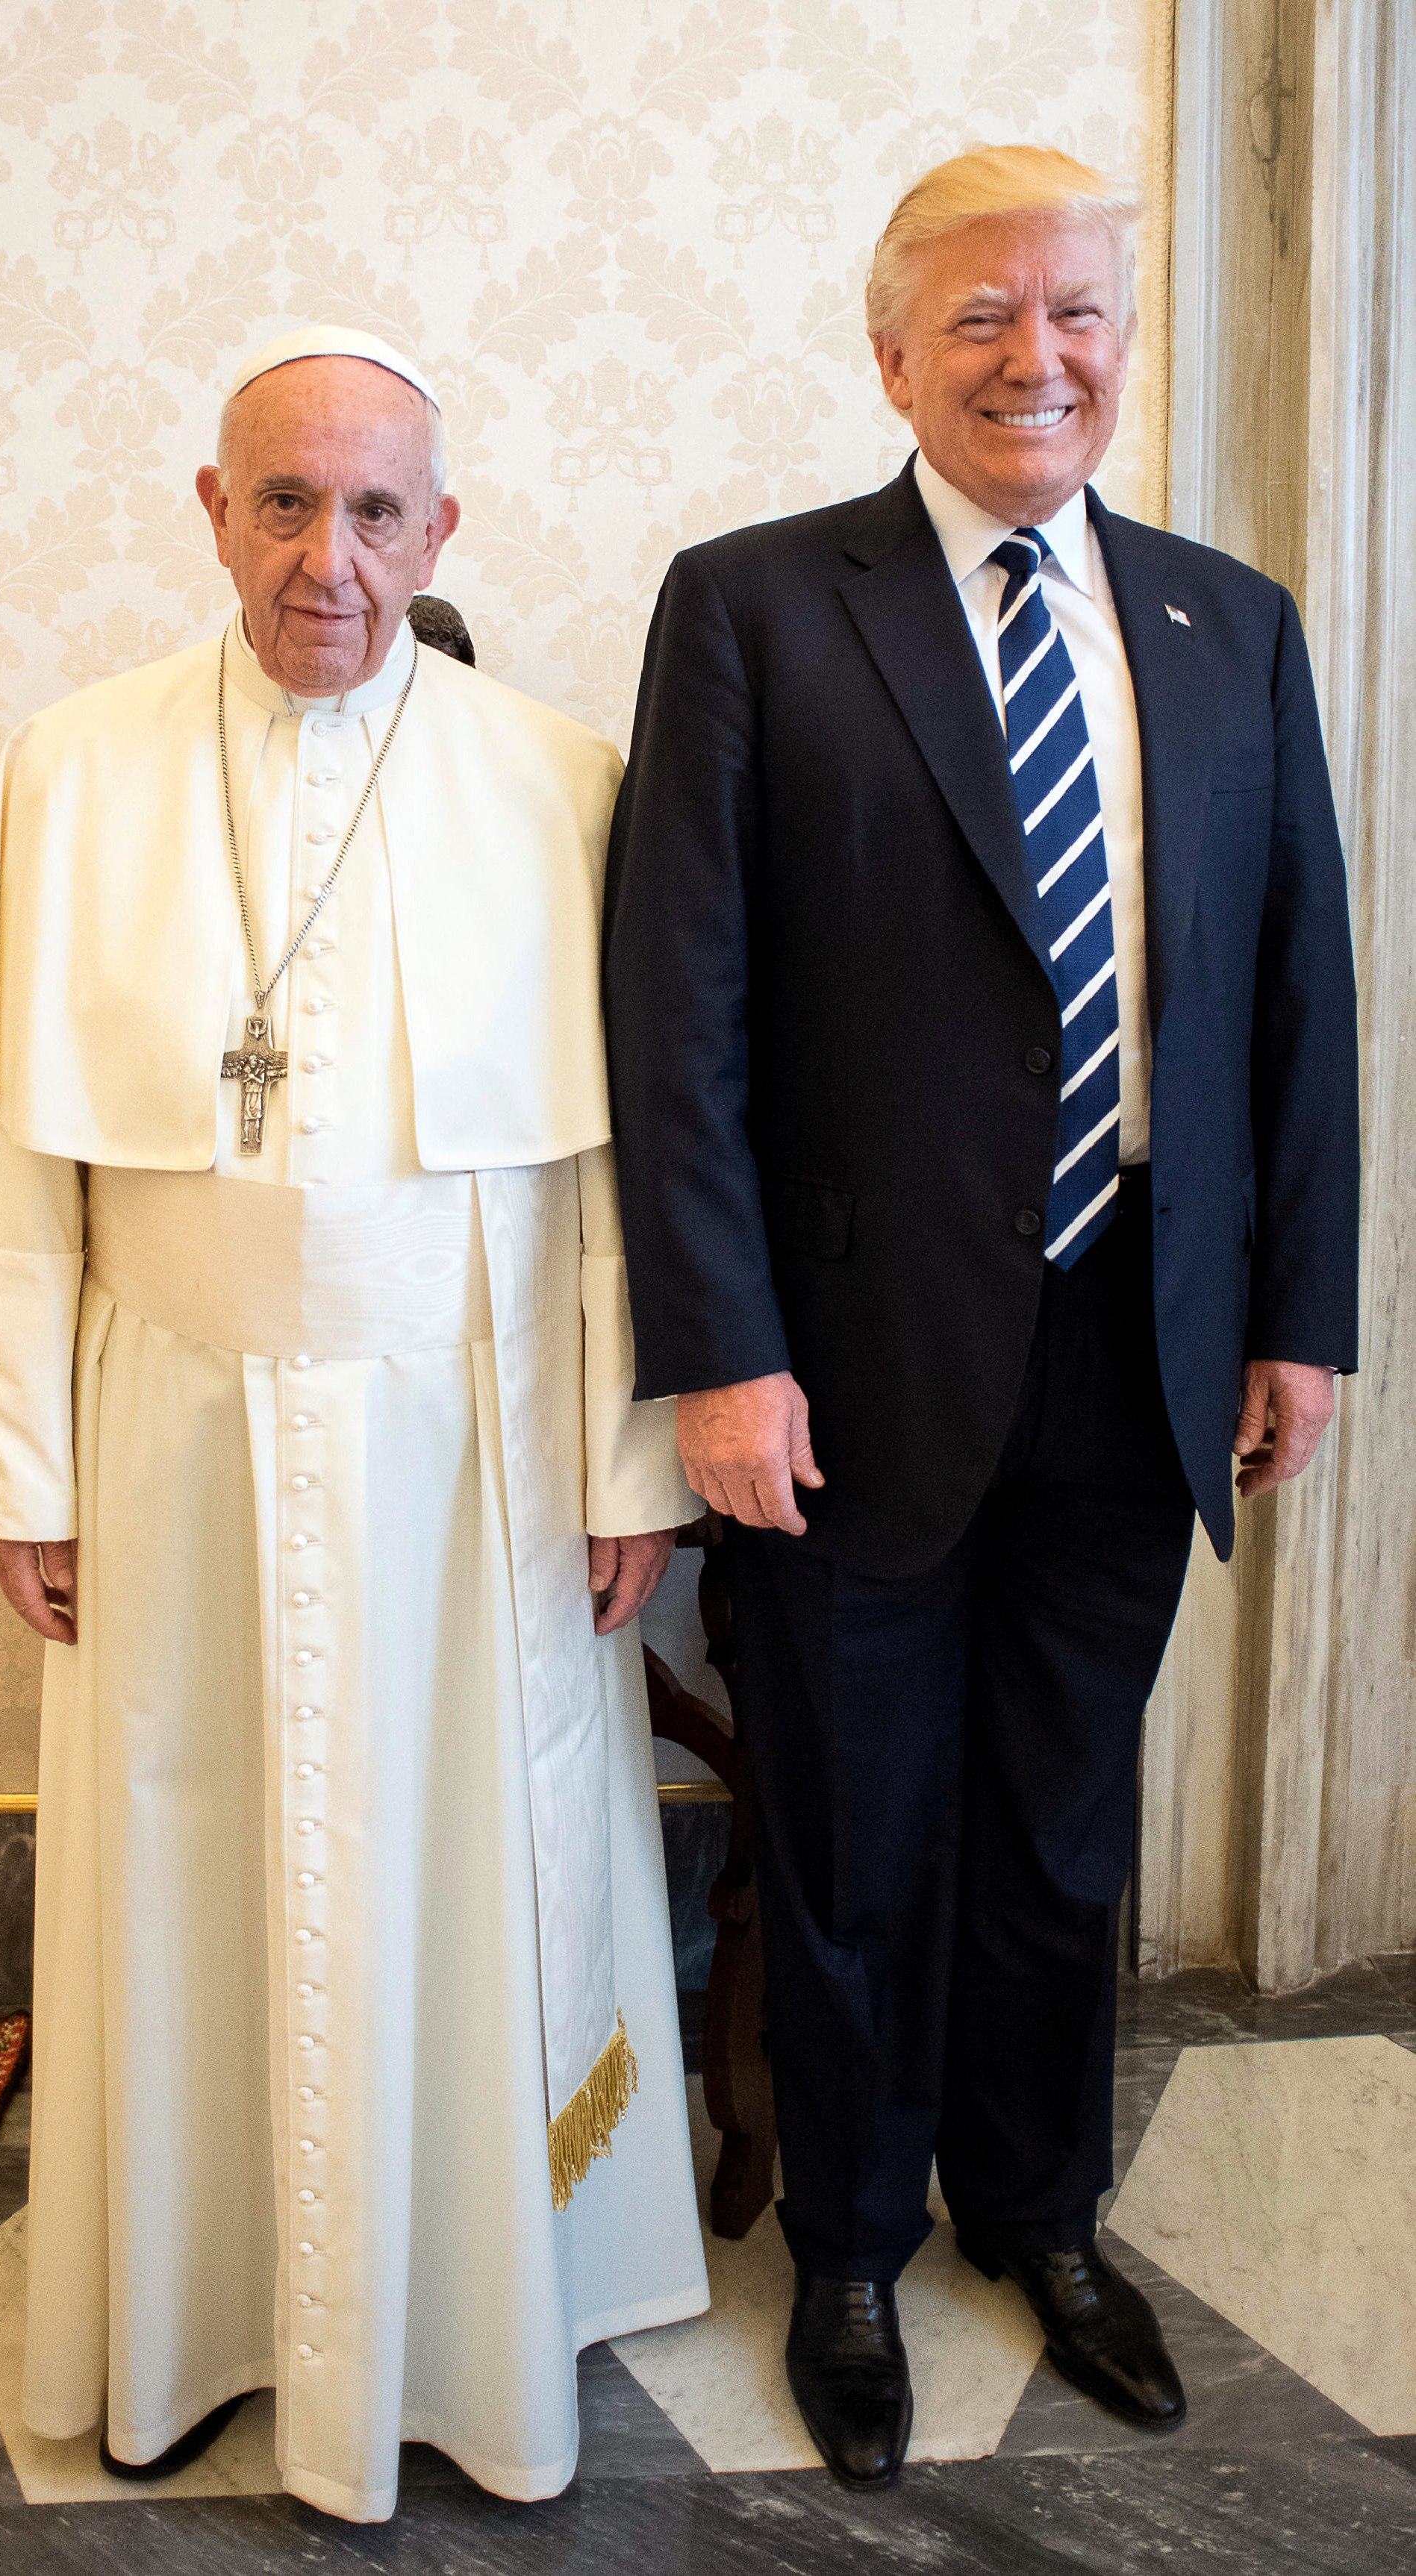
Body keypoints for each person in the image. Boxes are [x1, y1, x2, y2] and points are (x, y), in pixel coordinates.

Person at [602, 147, 1359, 2486]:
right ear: (893, 351)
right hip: (836, 1374)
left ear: (1121, 342)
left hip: (1142, 1342)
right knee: (851, 1825)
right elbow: (681, 1007)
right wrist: (716, 1350)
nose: (1040, 359)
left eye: (1079, 319)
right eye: (985, 322)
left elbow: (1298, 1001)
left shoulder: (1235, 622)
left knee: (1058, 1824)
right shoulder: (750, 609)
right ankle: (844, 2244)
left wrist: (1299, 1315)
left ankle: (1041, 2215)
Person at [0, 325, 706, 2523]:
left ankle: (464, 2339)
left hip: (470, 1451)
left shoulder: (553, 779)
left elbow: (610, 1176)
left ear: (442, 530)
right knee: (189, 1883)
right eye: (284, 502)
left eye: (377, 510)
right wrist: (21, 1465)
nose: (329, 556)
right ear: (210, 510)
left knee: (451, 1868)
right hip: (166, 1439)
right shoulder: (70, 770)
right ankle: (184, 2328)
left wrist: (626, 1462)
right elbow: (19, 1178)